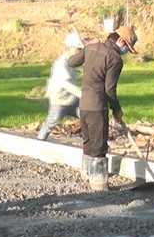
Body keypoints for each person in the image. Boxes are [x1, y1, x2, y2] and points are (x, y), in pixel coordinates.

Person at [67, 26, 138, 190]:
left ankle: (86, 174)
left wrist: (78, 51)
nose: (126, 51)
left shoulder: (90, 48)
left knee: (88, 142)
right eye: (127, 47)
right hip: (98, 107)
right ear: (120, 40)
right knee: (99, 147)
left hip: (84, 106)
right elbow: (109, 90)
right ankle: (98, 184)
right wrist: (116, 109)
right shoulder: (115, 59)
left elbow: (72, 62)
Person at [37, 32, 84, 141]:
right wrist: (82, 94)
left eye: (80, 50)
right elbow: (67, 85)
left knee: (86, 115)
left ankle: (91, 143)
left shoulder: (73, 61)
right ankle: (39, 142)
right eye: (77, 49)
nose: (79, 52)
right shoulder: (61, 64)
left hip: (72, 99)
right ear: (69, 48)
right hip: (60, 101)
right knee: (50, 124)